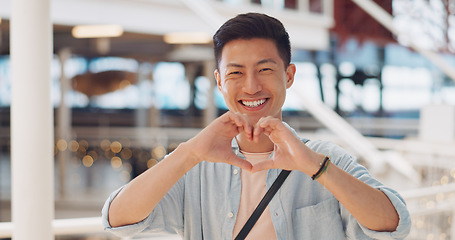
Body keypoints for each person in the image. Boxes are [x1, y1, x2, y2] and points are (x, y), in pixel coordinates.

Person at [102, 12, 411, 239]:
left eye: (264, 69)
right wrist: (189, 153)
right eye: (236, 73)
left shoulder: (324, 157)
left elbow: (395, 225)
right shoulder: (197, 163)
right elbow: (117, 219)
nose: (251, 87)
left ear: (288, 76)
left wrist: (315, 167)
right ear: (219, 81)